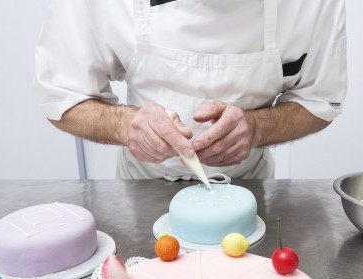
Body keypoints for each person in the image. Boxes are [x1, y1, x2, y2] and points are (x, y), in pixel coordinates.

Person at [33, 0, 347, 180]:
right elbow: (63, 97)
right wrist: (125, 125)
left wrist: (258, 128)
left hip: (249, 190)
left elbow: (319, 101)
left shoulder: (312, 5)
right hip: (143, 189)